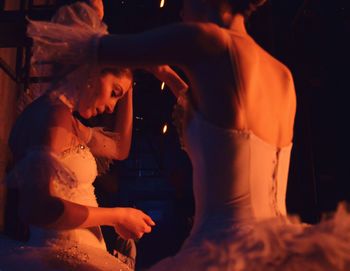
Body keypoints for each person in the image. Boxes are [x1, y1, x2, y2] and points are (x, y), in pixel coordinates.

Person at [24, 0, 350, 270]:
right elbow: (220, 123)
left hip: (224, 249)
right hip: (279, 248)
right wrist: (164, 72)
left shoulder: (204, 40)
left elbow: (81, 49)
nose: (179, 9)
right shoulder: (283, 76)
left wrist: (91, 11)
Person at [0, 2, 158, 271]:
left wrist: (128, 77)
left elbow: (119, 148)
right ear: (93, 71)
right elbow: (36, 208)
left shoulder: (67, 120)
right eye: (114, 93)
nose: (110, 108)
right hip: (61, 257)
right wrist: (117, 216)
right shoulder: (54, 116)